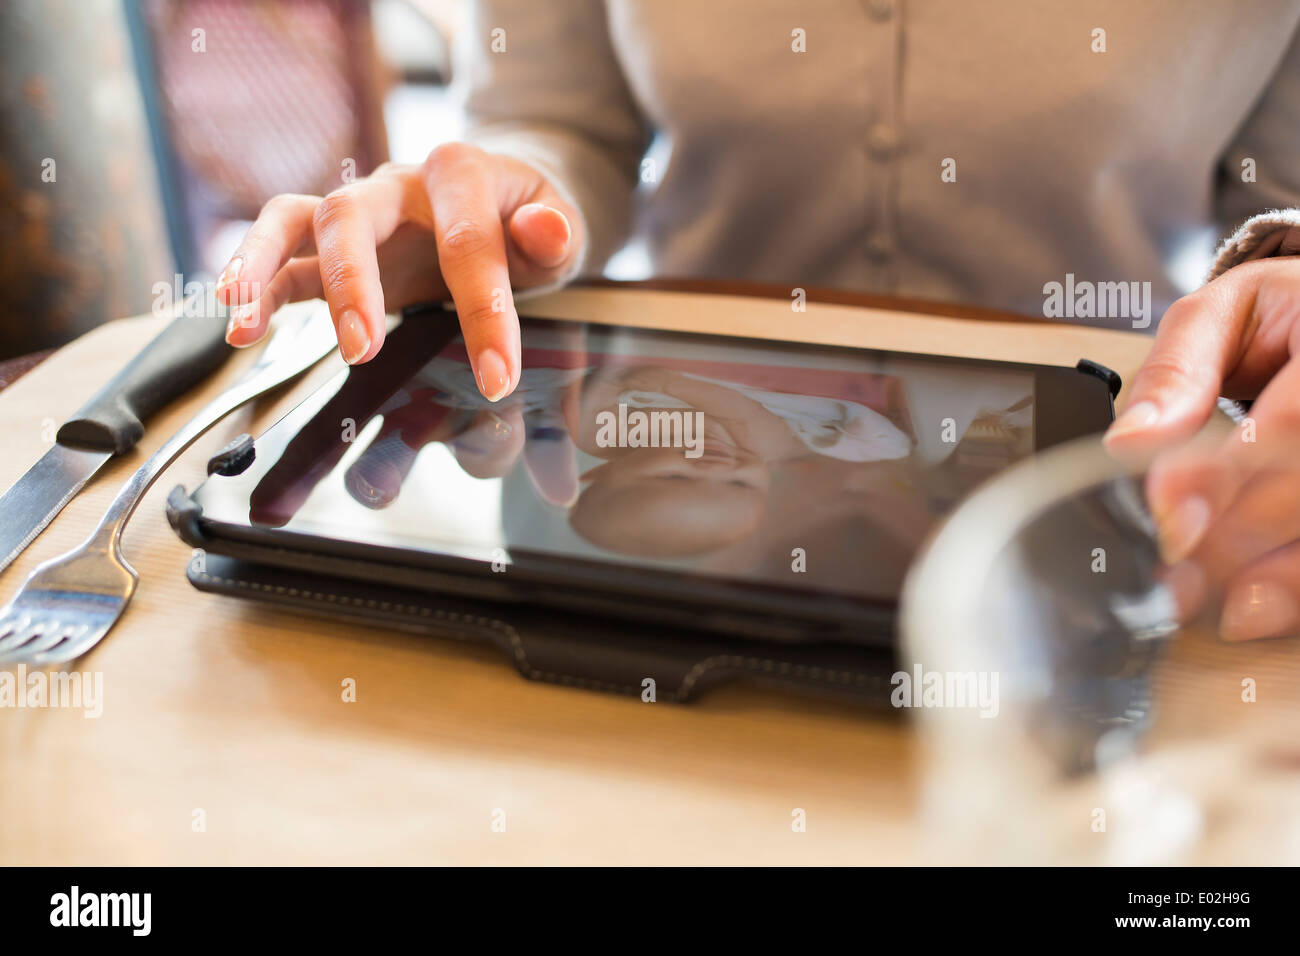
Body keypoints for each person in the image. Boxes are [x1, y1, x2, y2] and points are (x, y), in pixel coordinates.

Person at [217, 2, 1300, 641]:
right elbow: (559, 120)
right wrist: (499, 211)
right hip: (645, 577)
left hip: (1129, 495)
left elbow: (1281, 191)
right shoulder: (691, 482)